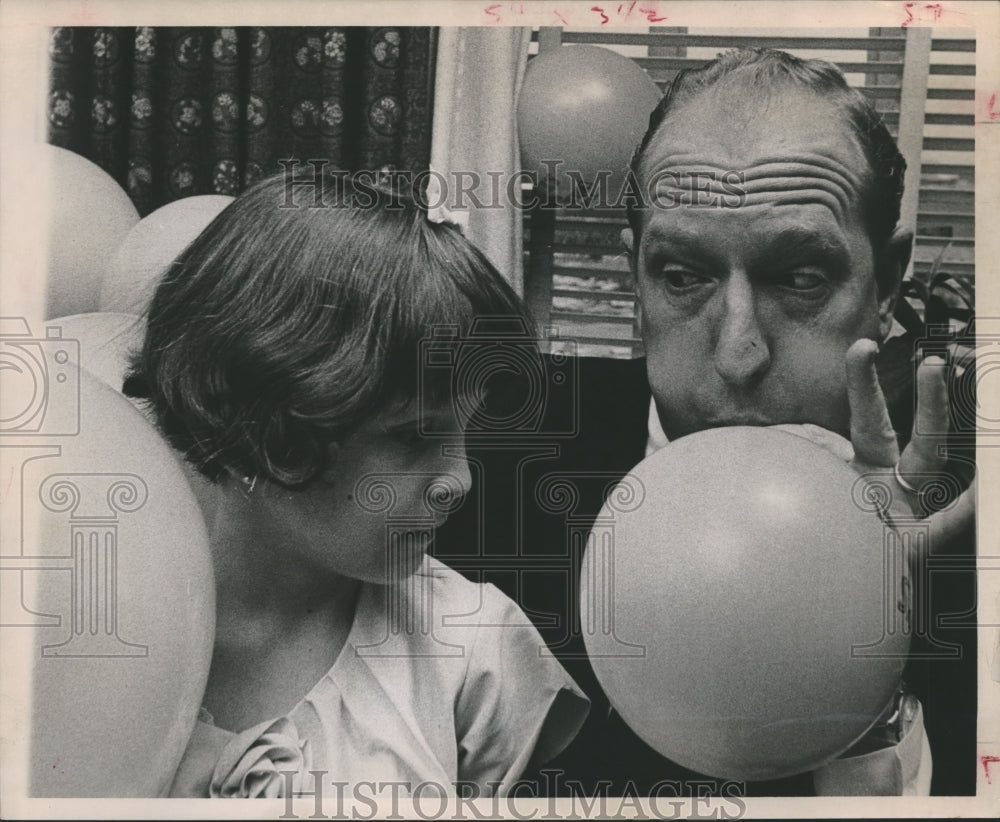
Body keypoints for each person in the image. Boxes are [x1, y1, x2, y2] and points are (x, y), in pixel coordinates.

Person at [436, 48, 976, 796]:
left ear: (885, 284)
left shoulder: (967, 535)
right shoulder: (487, 468)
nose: (738, 351)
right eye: (683, 277)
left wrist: (877, 663)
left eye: (802, 277)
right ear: (635, 279)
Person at [123, 171, 589, 798]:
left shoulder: (476, 651)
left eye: (465, 431)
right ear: (268, 425)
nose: (459, 480)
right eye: (412, 436)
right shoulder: (87, 617)